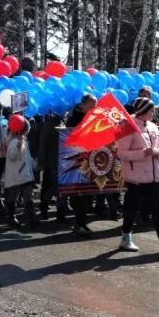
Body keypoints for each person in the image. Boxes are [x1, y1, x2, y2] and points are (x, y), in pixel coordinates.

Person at [116, 97, 159, 255]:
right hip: (136, 177)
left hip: (155, 176)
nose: (154, 113)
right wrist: (142, 153)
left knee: (157, 209)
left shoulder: (153, 126)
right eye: (151, 110)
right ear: (143, 111)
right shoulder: (127, 126)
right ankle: (125, 237)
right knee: (132, 209)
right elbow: (121, 153)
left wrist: (157, 152)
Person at [65, 93, 97, 237]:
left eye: (95, 105)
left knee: (88, 194)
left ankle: (81, 223)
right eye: (91, 105)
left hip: (92, 160)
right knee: (79, 193)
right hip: (77, 161)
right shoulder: (73, 119)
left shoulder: (96, 119)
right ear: (83, 105)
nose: (93, 108)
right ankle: (79, 224)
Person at [3, 115, 39, 229]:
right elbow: (12, 156)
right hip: (17, 175)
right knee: (13, 197)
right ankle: (12, 218)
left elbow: (27, 158)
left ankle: (31, 218)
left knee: (28, 197)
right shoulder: (14, 142)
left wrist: (35, 164)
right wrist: (17, 147)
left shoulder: (23, 140)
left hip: (24, 174)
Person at [37, 112, 65, 220]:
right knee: (53, 186)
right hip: (51, 160)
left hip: (61, 160)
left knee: (60, 186)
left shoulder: (62, 119)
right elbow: (43, 142)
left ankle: (60, 212)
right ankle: (44, 206)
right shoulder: (49, 120)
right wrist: (42, 162)